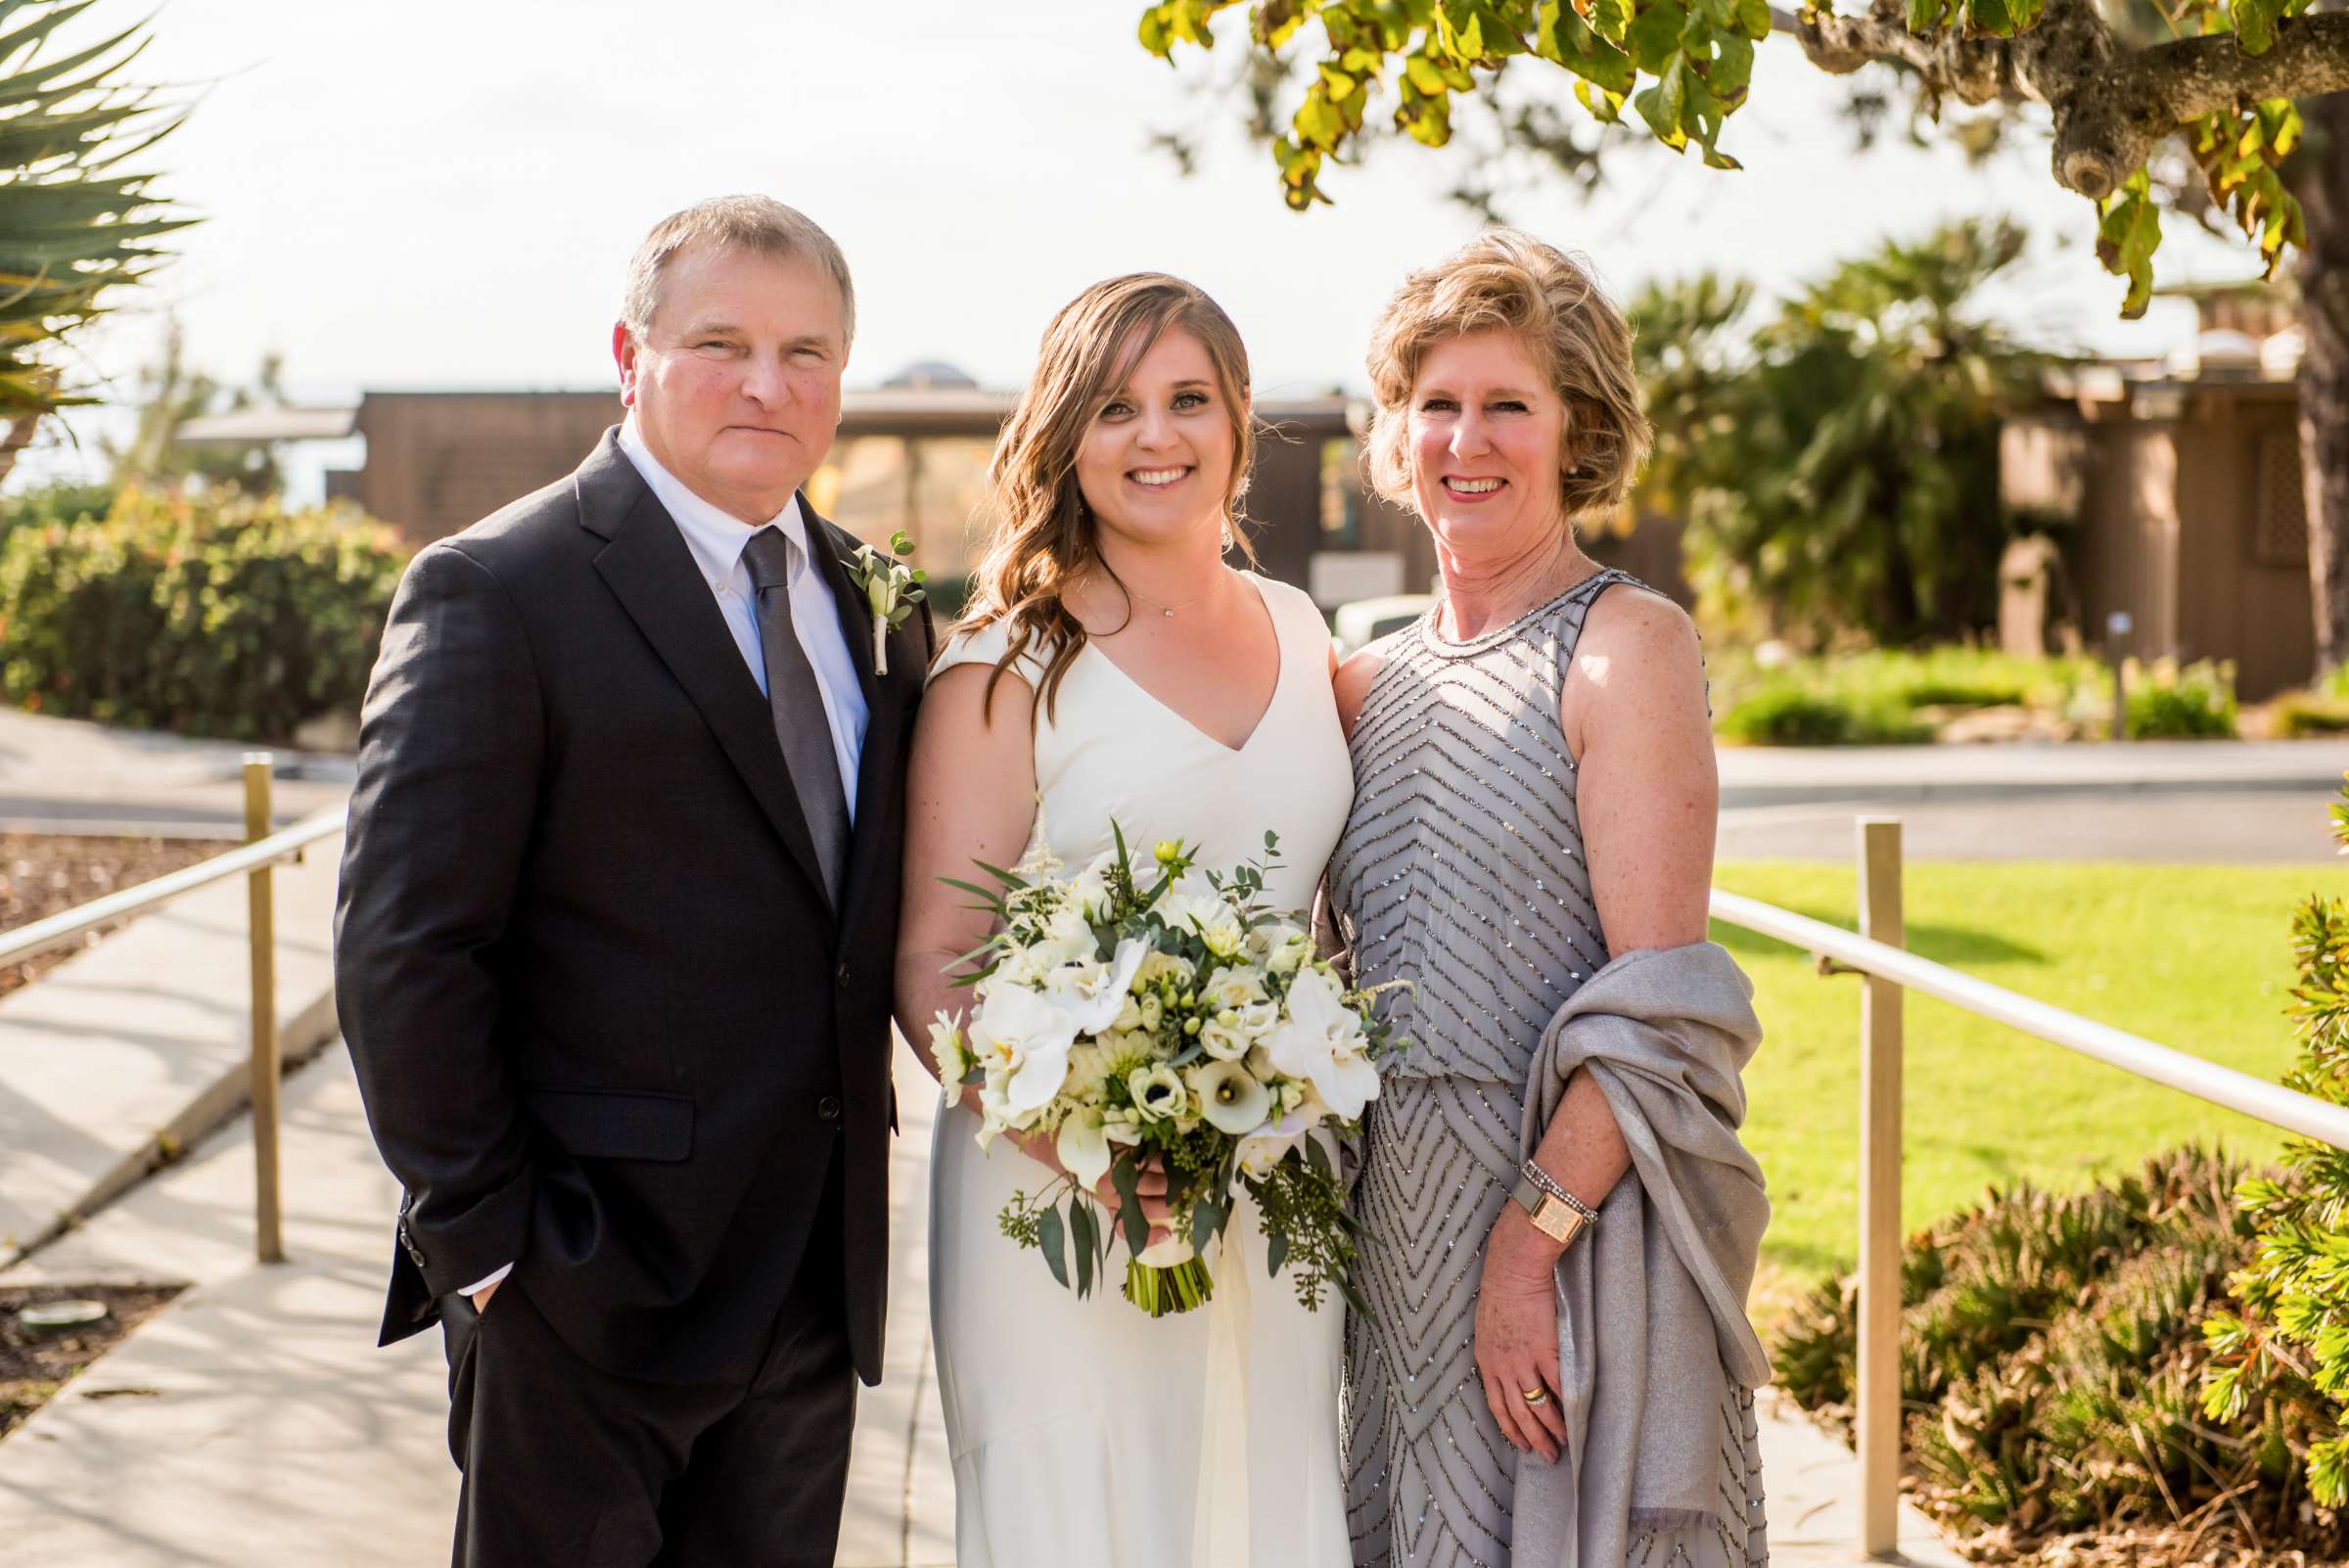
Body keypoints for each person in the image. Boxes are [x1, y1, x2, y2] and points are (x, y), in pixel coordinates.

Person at [335, 195, 929, 1568]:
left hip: (809, 1301)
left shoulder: (873, 601)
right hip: (581, 1293)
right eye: (721, 341)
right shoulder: (496, 589)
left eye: (808, 351)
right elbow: (404, 951)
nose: (767, 384)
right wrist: (492, 1251)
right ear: (630, 351)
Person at [1328, 229, 1774, 1568]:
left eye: (1508, 403)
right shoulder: (1361, 679)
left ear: (1577, 431)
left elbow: (1664, 1012)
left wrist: (1525, 1256)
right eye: (1439, 403)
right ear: (1396, 434)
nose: (1468, 439)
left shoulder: (1623, 645)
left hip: (1565, 1225)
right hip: (1390, 1226)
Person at [894, 272, 1353, 1567]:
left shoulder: (1301, 629)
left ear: (1238, 420)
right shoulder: (1007, 664)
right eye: (1114, 407)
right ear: (1064, 440)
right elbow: (934, 962)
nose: (1156, 435)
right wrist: (1092, 1144)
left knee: (1262, 1504)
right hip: (1058, 1205)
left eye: (1187, 399)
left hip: (1277, 1187)